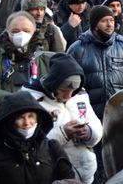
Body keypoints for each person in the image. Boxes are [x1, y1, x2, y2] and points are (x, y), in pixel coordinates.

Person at [0, 11, 55, 149]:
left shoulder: (49, 60)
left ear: (34, 32)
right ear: (7, 33)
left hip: (44, 129)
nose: (21, 35)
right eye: (15, 31)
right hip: (4, 128)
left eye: (26, 30)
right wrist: (23, 105)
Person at [23, 54, 102, 184]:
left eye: (73, 90)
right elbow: (30, 144)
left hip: (86, 176)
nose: (69, 96)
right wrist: (63, 133)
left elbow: (96, 124)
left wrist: (88, 132)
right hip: (52, 177)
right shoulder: (32, 100)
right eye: (64, 90)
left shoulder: (80, 95)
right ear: (53, 84)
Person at [0, 91, 75, 184]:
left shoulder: (52, 148)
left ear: (38, 118)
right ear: (10, 121)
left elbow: (69, 180)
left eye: (31, 116)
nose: (27, 123)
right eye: (20, 117)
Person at [66, 4, 123, 118]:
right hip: (89, 115)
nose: (109, 24)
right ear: (94, 25)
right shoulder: (77, 49)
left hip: (120, 114)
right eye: (104, 21)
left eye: (111, 20)